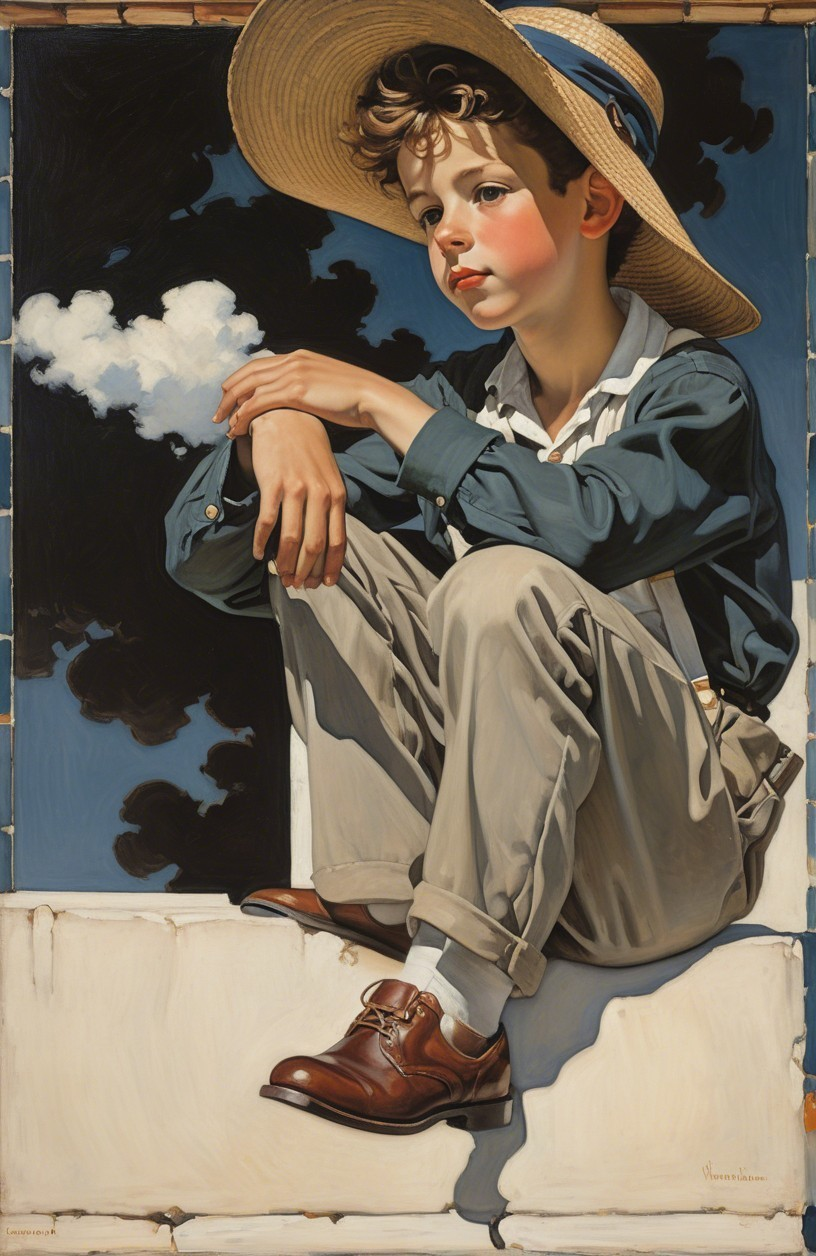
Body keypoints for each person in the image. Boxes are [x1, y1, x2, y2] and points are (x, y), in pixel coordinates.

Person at [165, 0, 800, 1135]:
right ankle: (389, 884)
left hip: (674, 841)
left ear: (593, 201)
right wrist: (277, 435)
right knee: (336, 540)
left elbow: (582, 529)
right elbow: (212, 564)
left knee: (505, 577)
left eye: (487, 192)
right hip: (518, 834)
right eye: (426, 211)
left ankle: (456, 1016)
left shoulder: (699, 394)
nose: (447, 234)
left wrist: (372, 401)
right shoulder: (462, 411)